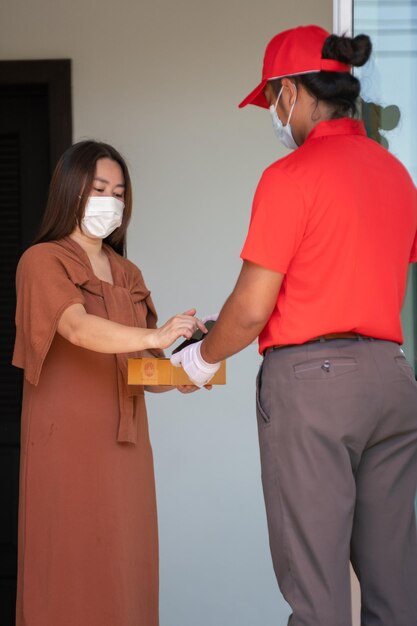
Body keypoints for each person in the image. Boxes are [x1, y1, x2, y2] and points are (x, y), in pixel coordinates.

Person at [171, 25, 417, 626]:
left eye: (272, 99)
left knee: (318, 592)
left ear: (293, 91)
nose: (273, 113)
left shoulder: (291, 177)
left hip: (313, 387)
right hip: (392, 380)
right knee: (396, 587)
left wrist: (203, 359)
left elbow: (253, 307)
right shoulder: (397, 175)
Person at [13, 140, 206, 626]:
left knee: (127, 575)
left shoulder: (128, 273)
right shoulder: (43, 261)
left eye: (119, 192)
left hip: (126, 449)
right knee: (68, 573)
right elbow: (76, 327)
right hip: (67, 445)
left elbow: (140, 367)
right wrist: (154, 334)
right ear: (70, 190)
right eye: (99, 188)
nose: (110, 202)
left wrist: (195, 361)